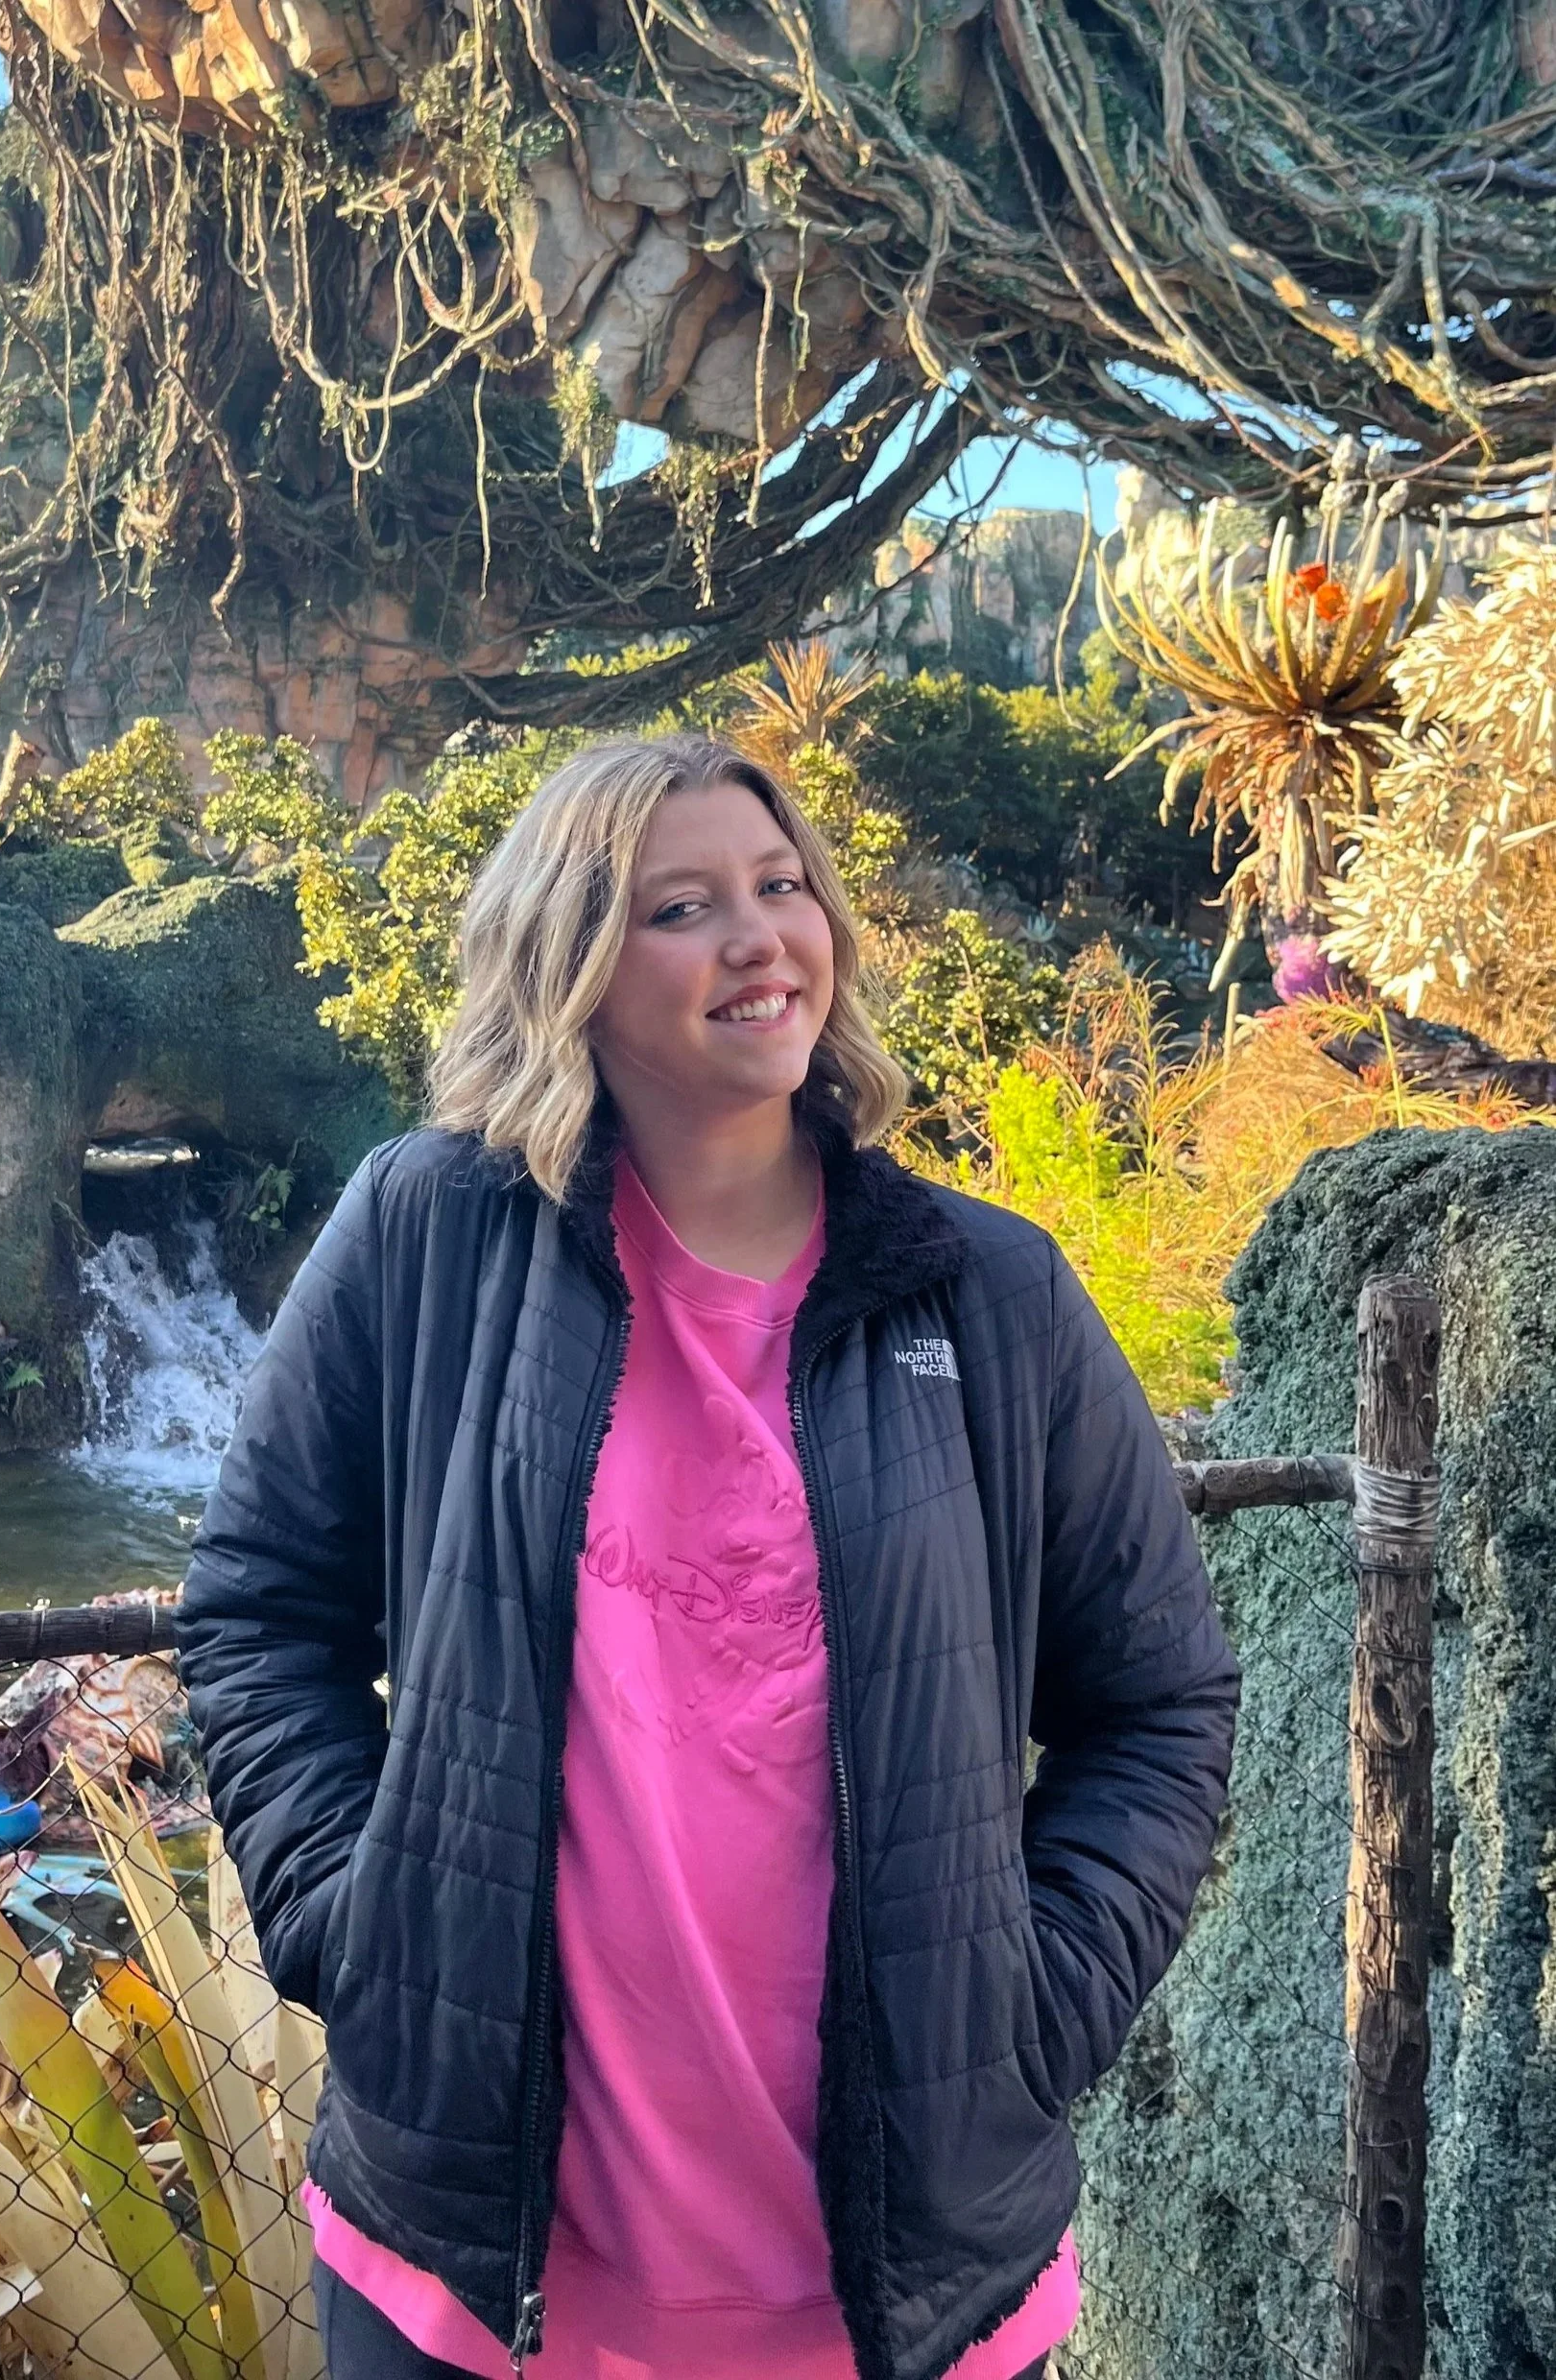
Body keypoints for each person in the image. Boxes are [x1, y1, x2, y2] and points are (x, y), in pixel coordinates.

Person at [177, 733, 1239, 2380]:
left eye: (783, 885)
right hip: (467, 2285)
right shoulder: (426, 1234)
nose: (762, 936)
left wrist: (1032, 2011)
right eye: (684, 905)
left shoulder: (992, 1292)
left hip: (907, 2299)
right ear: (574, 968)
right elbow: (258, 1615)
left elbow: (1159, 1699)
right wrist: (361, 1922)